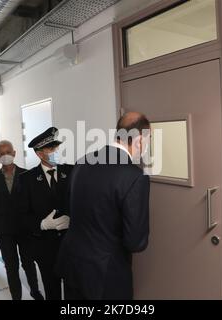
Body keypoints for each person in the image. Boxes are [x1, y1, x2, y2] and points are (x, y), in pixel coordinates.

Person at [56, 112, 151, 300]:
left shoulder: (83, 162)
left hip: (72, 265)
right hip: (105, 275)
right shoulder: (135, 177)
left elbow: (69, 208)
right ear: (140, 140)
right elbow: (136, 242)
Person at [19, 127, 73, 300]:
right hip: (45, 248)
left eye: (56, 148)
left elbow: (83, 203)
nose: (56, 152)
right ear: (40, 154)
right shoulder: (26, 179)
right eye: (51, 149)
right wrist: (41, 224)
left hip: (71, 243)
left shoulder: (72, 172)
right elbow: (21, 215)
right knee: (52, 290)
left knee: (74, 289)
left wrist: (74, 220)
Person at [0, 140, 44, 300]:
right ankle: (16, 296)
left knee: (28, 263)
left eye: (8, 152)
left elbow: (34, 204)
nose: (6, 156)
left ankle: (35, 290)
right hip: (3, 231)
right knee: (11, 266)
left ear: (14, 153)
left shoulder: (27, 175)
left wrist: (36, 227)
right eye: (2, 153)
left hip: (25, 230)